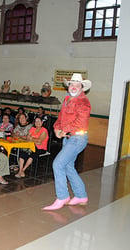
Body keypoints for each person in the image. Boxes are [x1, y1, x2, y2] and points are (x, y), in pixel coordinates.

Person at [43, 73, 91, 210]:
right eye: (72, 84)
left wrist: (65, 130)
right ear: (68, 86)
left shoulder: (84, 102)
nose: (74, 87)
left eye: (77, 85)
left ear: (82, 87)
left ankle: (62, 197)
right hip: (69, 138)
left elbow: (80, 121)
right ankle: (81, 196)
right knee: (68, 167)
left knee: (58, 164)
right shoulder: (67, 99)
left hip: (78, 138)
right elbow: (60, 118)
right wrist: (57, 128)